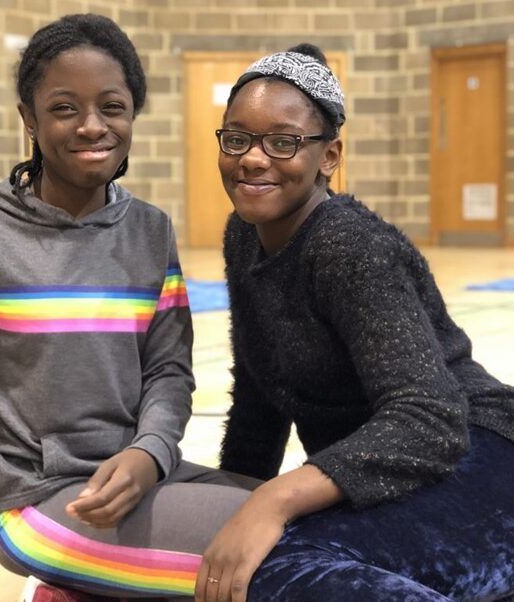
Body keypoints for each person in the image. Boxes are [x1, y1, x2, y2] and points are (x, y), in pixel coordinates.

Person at [0, 14, 260, 602]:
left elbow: (169, 370)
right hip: (39, 505)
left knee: (296, 518)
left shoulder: (151, 230)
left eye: (113, 106)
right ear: (29, 118)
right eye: (65, 107)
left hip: (147, 479)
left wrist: (150, 453)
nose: (92, 126)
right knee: (286, 564)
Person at [195, 45, 514, 602]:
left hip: (475, 454)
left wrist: (274, 501)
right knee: (238, 558)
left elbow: (430, 418)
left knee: (284, 568)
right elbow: (260, 399)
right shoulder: (243, 235)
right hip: (385, 473)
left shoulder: (348, 246)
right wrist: (238, 503)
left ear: (329, 156)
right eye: (237, 137)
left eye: (283, 141)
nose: (251, 158)